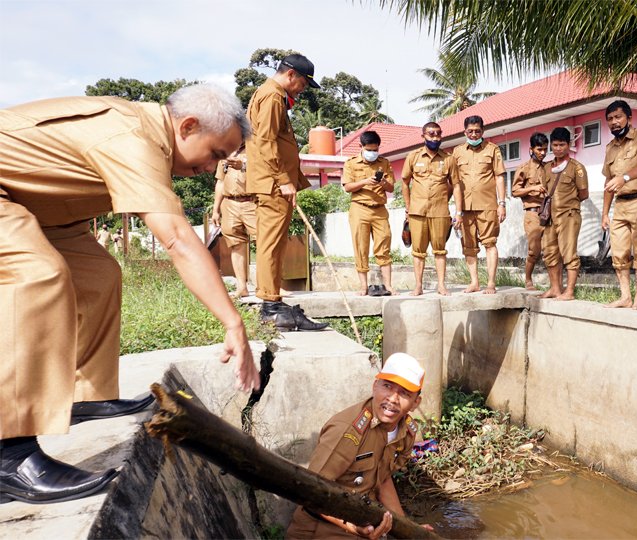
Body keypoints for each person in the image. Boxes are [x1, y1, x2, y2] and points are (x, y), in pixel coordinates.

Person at [0, 84, 261, 504]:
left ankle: (84, 395)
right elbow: (176, 237)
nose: (215, 166)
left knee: (98, 274)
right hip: (9, 195)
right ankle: (8, 455)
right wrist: (233, 323)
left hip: (36, 204)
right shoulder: (132, 138)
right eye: (216, 153)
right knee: (36, 276)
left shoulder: (148, 136)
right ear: (188, 126)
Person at [285, 353, 432, 539]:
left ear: (415, 403)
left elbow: (383, 480)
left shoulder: (406, 432)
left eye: (404, 393)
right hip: (322, 528)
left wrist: (409, 529)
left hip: (364, 522)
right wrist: (351, 526)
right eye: (387, 386)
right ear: (375, 386)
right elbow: (312, 492)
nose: (393, 399)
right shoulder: (347, 431)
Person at [247, 53, 324, 330]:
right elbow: (265, 141)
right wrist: (283, 179)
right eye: (302, 84)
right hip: (272, 185)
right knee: (271, 243)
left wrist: (294, 179)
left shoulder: (273, 95)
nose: (302, 90)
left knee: (275, 243)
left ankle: (273, 300)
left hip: (273, 183)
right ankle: (269, 305)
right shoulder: (272, 96)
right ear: (291, 75)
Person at [600, 100, 637, 310]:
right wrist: (604, 213)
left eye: (618, 117)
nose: (614, 122)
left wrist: (624, 177)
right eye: (610, 119)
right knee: (618, 251)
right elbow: (609, 181)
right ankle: (625, 296)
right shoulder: (610, 148)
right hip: (621, 204)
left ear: (629, 118)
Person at [401, 122, 462, 296]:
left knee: (440, 250)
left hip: (440, 211)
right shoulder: (413, 157)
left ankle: (441, 285)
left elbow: (456, 186)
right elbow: (405, 182)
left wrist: (458, 212)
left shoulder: (448, 159)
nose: (435, 138)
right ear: (423, 136)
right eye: (431, 134)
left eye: (438, 134)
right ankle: (418, 286)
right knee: (418, 251)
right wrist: (408, 206)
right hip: (417, 211)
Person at [452, 115, 507, 294]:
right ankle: (474, 282)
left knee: (490, 243)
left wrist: (501, 203)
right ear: (464, 132)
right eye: (470, 131)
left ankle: (491, 283)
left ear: (483, 131)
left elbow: (499, 176)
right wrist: (456, 210)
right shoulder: (458, 151)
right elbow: (453, 182)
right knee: (468, 246)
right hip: (465, 207)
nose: (474, 134)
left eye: (477, 131)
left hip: (488, 205)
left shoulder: (493, 150)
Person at [343, 131, 396, 296]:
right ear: (361, 147)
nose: (373, 153)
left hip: (379, 209)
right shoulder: (351, 163)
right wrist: (365, 182)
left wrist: (383, 182)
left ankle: (388, 285)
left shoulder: (384, 163)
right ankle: (363, 286)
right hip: (359, 208)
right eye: (369, 149)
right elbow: (347, 187)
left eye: (376, 149)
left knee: (384, 246)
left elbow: (391, 188)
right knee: (361, 247)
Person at [540, 127, 589, 300]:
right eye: (555, 145)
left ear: (569, 145)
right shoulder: (546, 168)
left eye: (562, 145)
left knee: (569, 252)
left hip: (568, 215)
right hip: (549, 217)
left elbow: (584, 194)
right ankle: (555, 289)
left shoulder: (577, 168)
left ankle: (569, 291)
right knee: (550, 252)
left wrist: (569, 203)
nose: (558, 148)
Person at [512, 132, 555, 290]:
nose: (543, 153)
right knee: (534, 251)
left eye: (545, 149)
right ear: (531, 149)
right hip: (533, 213)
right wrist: (532, 188)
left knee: (551, 250)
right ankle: (528, 280)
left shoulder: (550, 167)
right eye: (539, 149)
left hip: (549, 212)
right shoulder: (524, 168)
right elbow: (515, 191)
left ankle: (554, 285)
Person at [212, 146, 257, 298]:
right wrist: (216, 209)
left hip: (252, 201)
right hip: (230, 202)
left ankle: (270, 286)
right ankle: (241, 287)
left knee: (264, 242)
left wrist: (244, 165)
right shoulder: (225, 153)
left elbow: (267, 173)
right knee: (235, 244)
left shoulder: (256, 149)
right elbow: (220, 182)